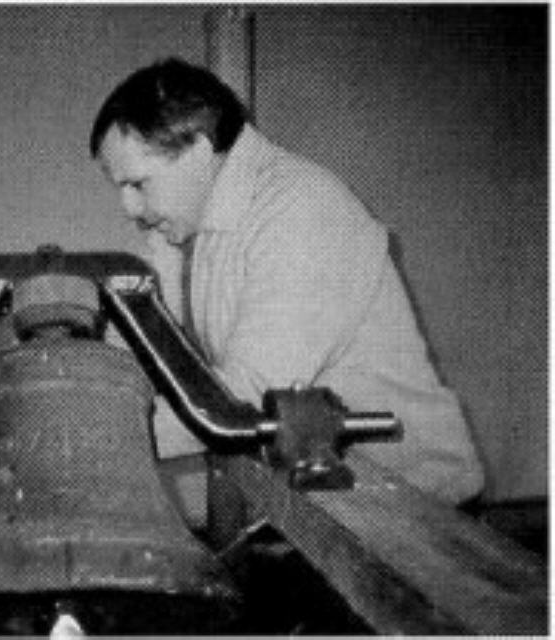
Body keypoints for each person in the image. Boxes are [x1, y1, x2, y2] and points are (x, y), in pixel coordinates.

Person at [89, 57, 484, 505]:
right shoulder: (188, 225)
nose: (129, 208)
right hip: (323, 492)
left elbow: (247, 399)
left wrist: (94, 438)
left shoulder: (302, 210)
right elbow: (142, 335)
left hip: (416, 503)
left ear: (197, 152)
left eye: (138, 184)